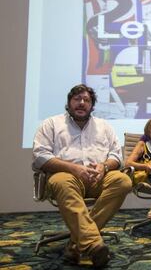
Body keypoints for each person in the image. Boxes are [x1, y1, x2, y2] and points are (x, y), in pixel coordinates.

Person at [32, 84, 132, 267]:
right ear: (69, 102)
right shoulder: (51, 124)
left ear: (92, 105)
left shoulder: (104, 126)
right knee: (62, 182)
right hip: (65, 176)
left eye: (86, 100)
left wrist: (104, 166)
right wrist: (74, 169)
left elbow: (116, 156)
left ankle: (76, 243)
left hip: (98, 178)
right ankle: (93, 244)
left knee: (123, 180)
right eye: (77, 99)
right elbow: (40, 156)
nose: (81, 103)